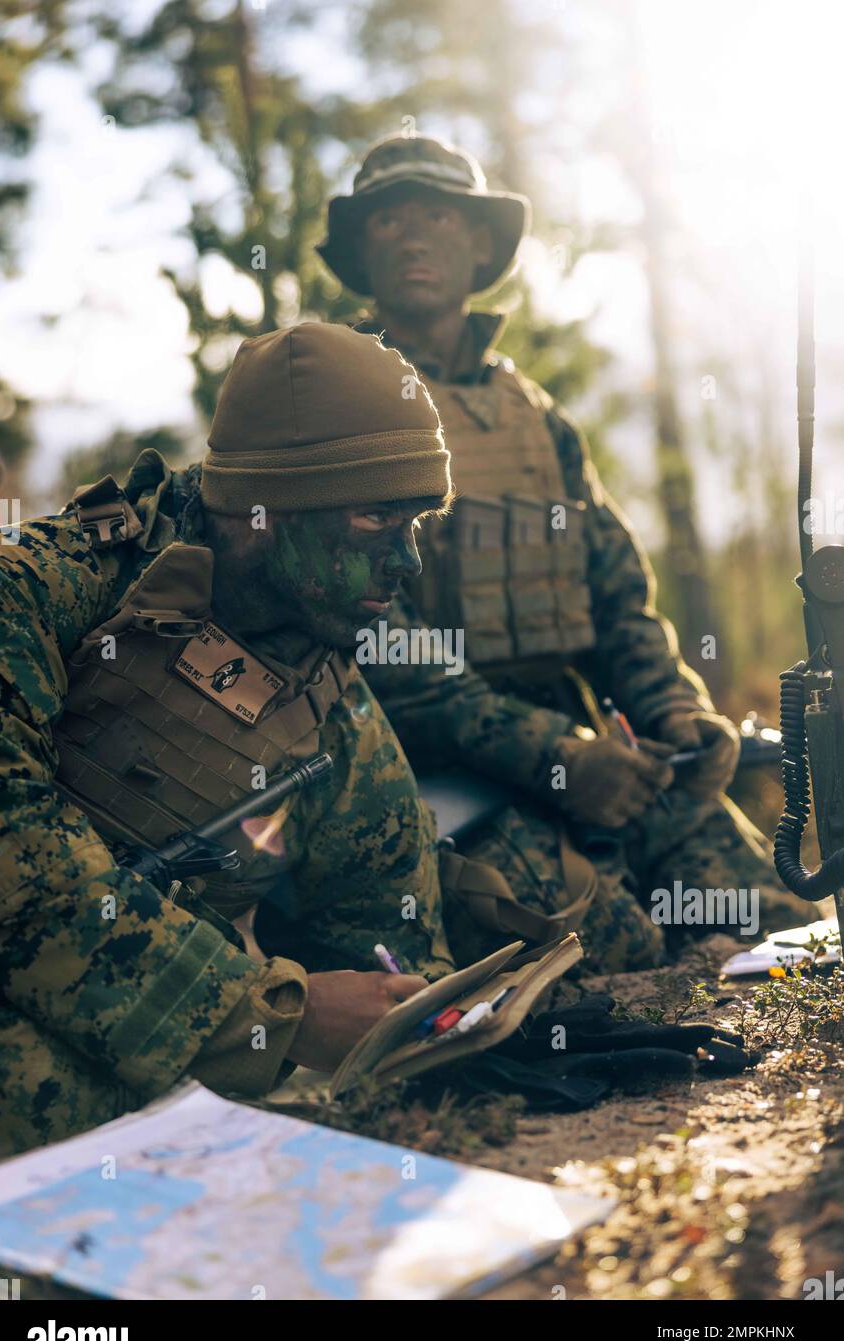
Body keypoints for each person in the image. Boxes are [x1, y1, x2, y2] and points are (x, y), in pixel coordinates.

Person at [317, 133, 809, 972]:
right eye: (388, 219)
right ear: (362, 248)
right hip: (435, 771)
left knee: (776, 923)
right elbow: (380, 649)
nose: (411, 235)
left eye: (436, 214)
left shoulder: (537, 419)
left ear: (480, 245)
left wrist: (673, 716)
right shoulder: (339, 412)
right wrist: (552, 754)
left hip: (588, 752)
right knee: (620, 956)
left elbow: (618, 598)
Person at [0, 322, 457, 1163]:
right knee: (40, 1089)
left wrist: (432, 1022)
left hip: (147, 1011)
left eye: (417, 521)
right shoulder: (20, 595)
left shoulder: (321, 685)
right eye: (380, 516)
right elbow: (9, 869)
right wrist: (276, 1016)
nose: (407, 563)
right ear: (263, 512)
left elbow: (387, 925)